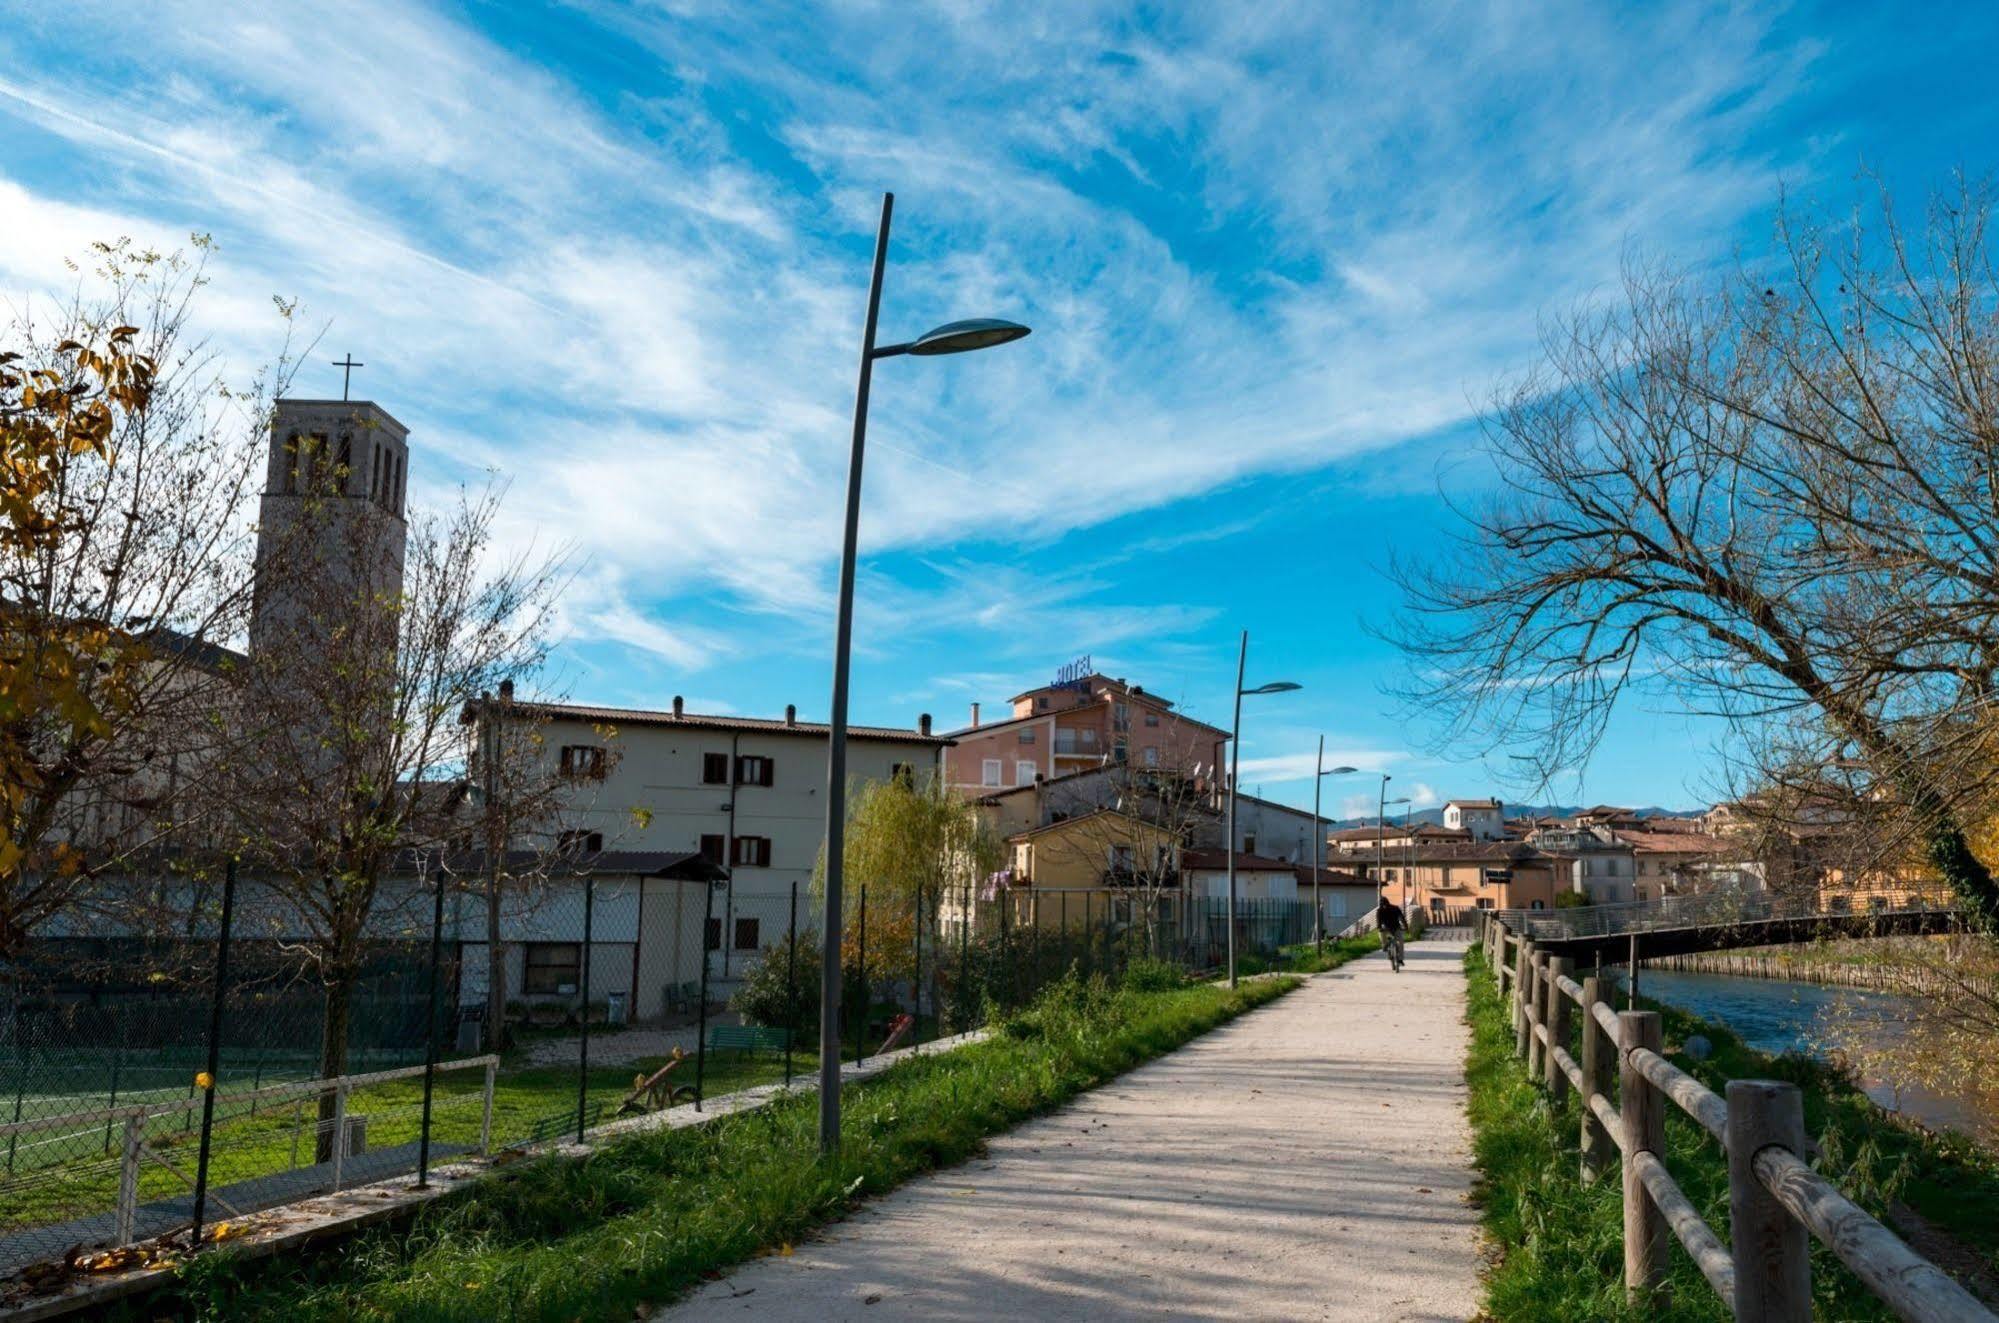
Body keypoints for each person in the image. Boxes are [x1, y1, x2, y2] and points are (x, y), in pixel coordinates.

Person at [1375, 895, 1406, 971]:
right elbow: (1378, 921)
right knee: (1381, 933)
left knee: (1401, 942)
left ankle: (1400, 959)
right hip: (1386, 928)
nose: (1384, 906)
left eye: (1385, 904)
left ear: (1388, 903)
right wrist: (1379, 928)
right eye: (1383, 904)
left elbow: (1401, 917)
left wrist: (1405, 926)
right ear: (1381, 905)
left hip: (1396, 928)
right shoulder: (1379, 911)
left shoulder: (1395, 908)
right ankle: (1384, 945)